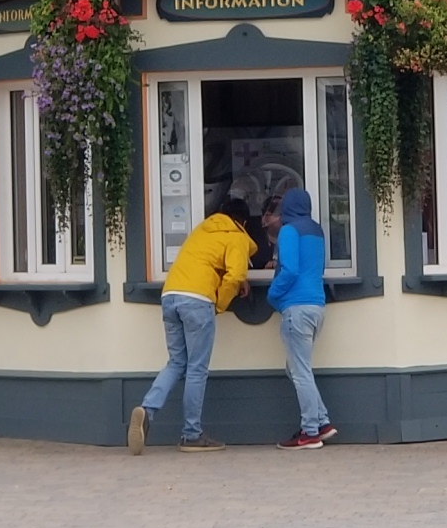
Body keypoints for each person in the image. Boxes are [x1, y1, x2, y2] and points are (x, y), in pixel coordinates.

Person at [131, 196, 255, 454]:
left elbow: (210, 264)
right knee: (197, 369)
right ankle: (191, 435)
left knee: (176, 362)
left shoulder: (202, 231)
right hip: (198, 300)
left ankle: (147, 409)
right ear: (243, 221)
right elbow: (234, 275)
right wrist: (219, 304)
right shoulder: (237, 236)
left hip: (170, 295)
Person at [267, 186, 337, 450]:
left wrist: (273, 295)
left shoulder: (289, 230)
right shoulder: (317, 230)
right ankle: (322, 422)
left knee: (300, 373)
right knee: (297, 369)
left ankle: (309, 432)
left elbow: (289, 270)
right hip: (317, 306)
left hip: (296, 308)